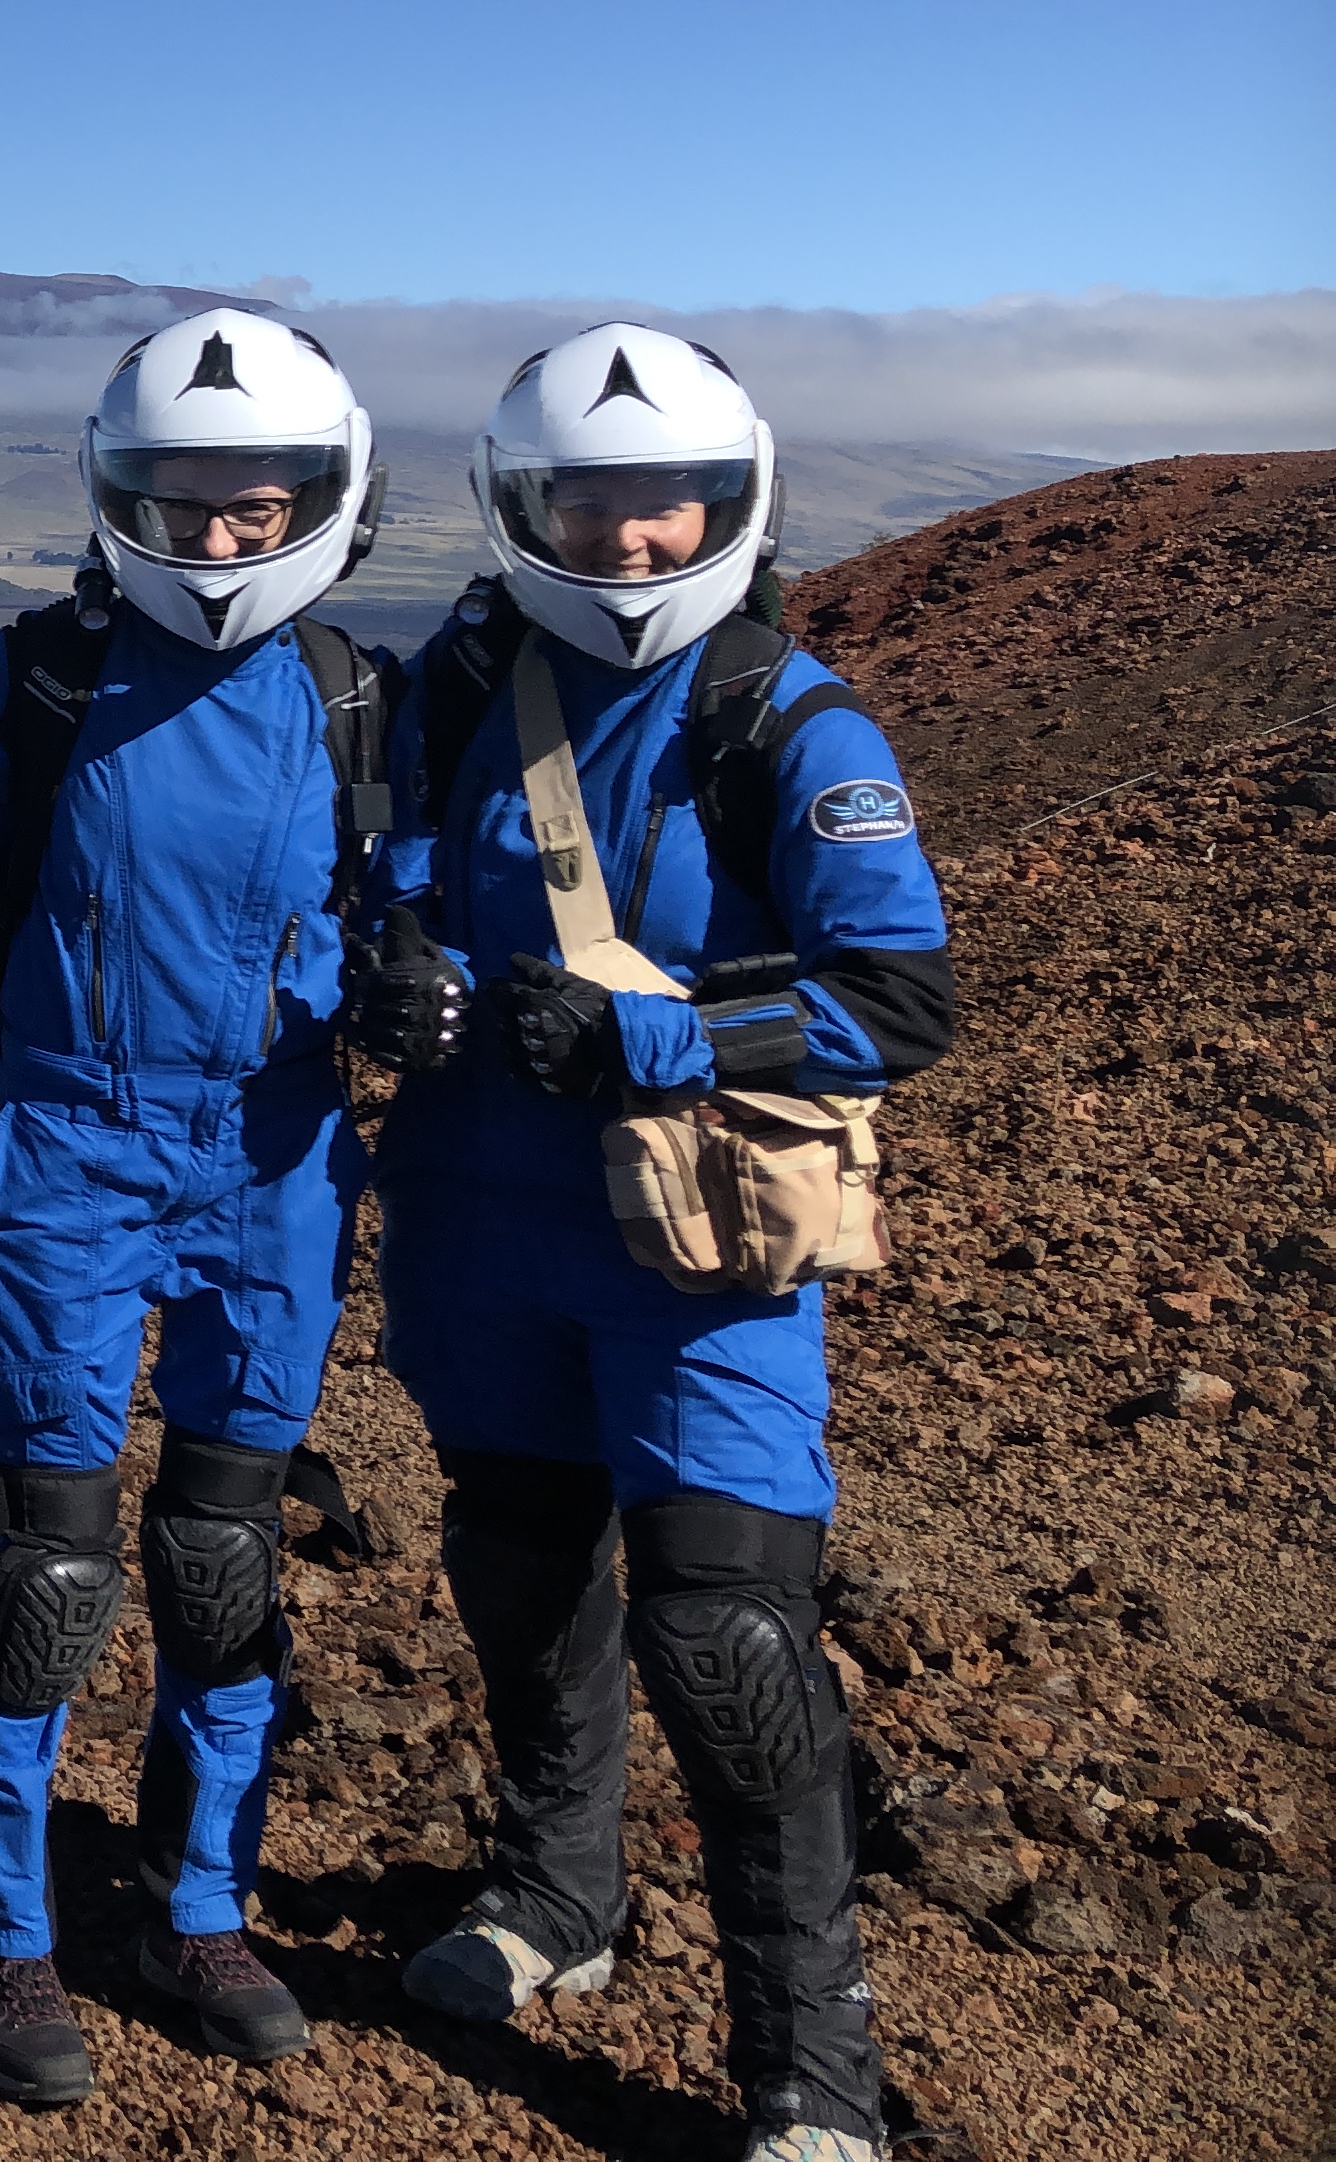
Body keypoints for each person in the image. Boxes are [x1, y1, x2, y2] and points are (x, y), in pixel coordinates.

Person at [351, 324, 953, 2162]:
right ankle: (557, 1894)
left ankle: (810, 2069)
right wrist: (397, 972)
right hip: (482, 1234)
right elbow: (384, 862)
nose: (630, 538)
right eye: (590, 502)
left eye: (664, 500)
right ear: (527, 508)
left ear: (733, 500)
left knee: (729, 1638)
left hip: (697, 1260)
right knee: (521, 1571)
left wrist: (654, 1035)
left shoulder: (783, 721)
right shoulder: (456, 687)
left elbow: (900, 998)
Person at [0, 312, 393, 2108]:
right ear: (120, 495)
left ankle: (194, 1907)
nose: (218, 540)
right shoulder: (51, 677)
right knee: (47, 1558)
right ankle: (5, 1943)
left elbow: (423, 905)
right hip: (75, 1150)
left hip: (276, 1161)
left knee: (224, 1555)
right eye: (181, 502)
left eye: (257, 504)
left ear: (322, 500)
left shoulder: (362, 697)